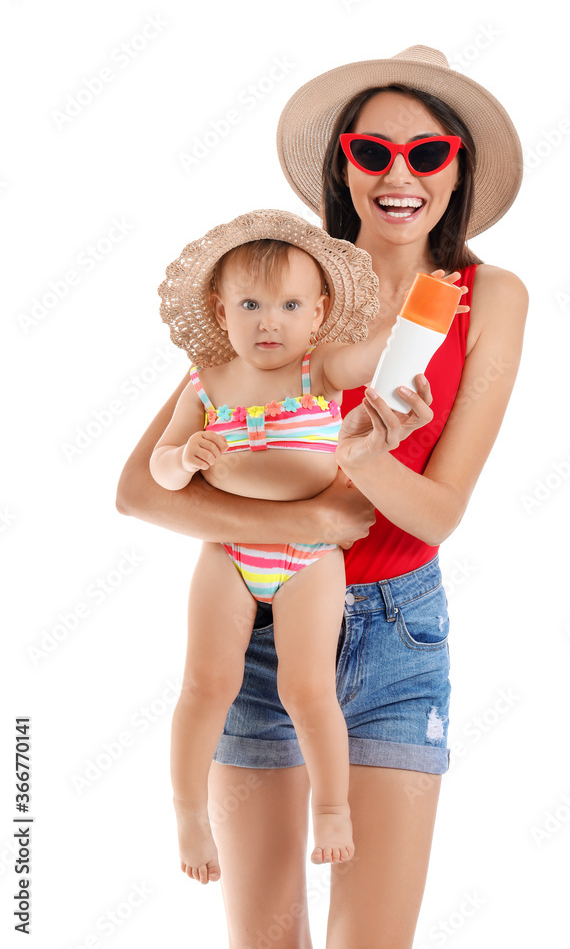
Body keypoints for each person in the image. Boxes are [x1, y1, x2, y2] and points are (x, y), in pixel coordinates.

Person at [117, 45, 528, 949]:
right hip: (255, 621)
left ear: (459, 168)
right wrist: (306, 521)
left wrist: (368, 460)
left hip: (395, 636)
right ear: (341, 163)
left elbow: (438, 512)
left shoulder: (487, 296)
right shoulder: (280, 287)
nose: (397, 175)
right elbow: (139, 493)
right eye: (370, 149)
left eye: (428, 153)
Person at [149, 208, 465, 878]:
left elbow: (386, 351)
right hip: (229, 557)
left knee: (306, 688)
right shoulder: (206, 382)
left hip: (309, 564)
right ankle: (186, 811)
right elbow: (156, 468)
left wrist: (424, 310)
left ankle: (330, 808)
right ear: (220, 308)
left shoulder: (318, 371)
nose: (270, 321)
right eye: (251, 304)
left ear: (318, 315)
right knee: (205, 683)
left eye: (291, 305)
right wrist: (184, 460)